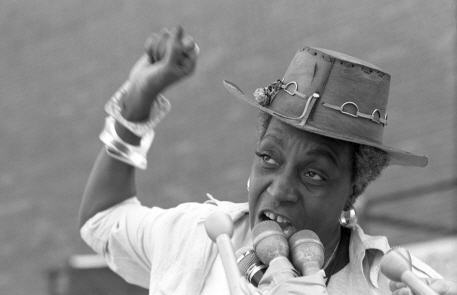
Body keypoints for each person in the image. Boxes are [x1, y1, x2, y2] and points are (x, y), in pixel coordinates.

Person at [79, 26, 456, 295]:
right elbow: (103, 221)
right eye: (268, 158)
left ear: (351, 193)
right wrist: (137, 104)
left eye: (314, 174)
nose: (280, 189)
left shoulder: (399, 284)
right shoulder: (196, 238)